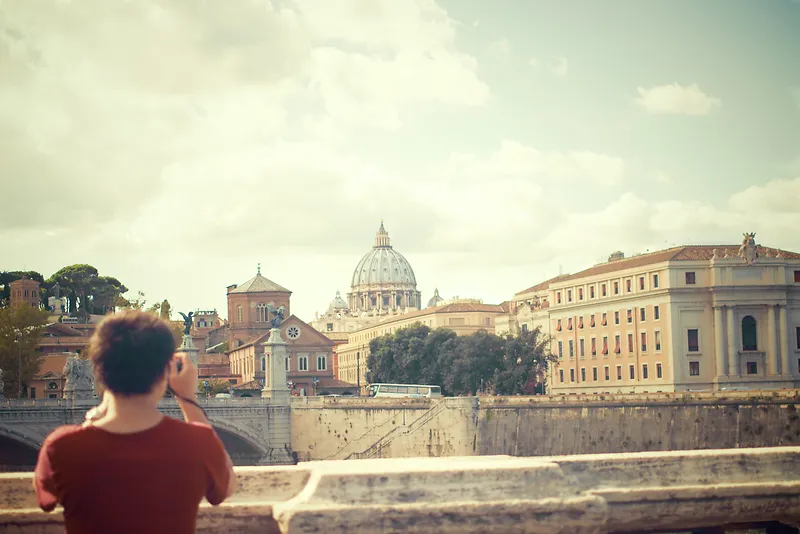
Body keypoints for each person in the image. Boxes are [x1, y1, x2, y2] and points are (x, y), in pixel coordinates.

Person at [33, 310, 237, 533]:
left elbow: (46, 500)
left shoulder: (61, 446)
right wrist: (187, 399)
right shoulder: (198, 441)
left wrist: (92, 420)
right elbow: (225, 489)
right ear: (166, 371)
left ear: (98, 370)